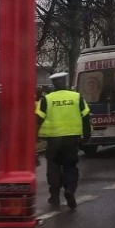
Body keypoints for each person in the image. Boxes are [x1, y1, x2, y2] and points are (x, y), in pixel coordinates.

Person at [35, 71, 91, 210]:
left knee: (53, 166)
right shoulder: (77, 97)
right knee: (70, 166)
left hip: (53, 139)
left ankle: (54, 196)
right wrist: (87, 135)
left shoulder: (46, 99)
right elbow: (85, 117)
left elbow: (38, 120)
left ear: (53, 84)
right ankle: (70, 190)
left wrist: (34, 138)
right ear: (65, 82)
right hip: (72, 138)